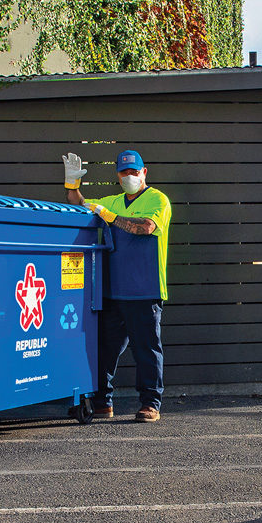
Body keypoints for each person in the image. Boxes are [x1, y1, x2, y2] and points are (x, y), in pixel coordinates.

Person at [63, 150, 172, 423]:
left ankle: (151, 404)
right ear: (118, 175)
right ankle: (103, 403)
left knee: (147, 349)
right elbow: (79, 204)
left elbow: (145, 227)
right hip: (113, 290)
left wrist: (110, 217)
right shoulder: (112, 201)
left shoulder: (157, 199)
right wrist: (72, 184)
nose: (129, 176)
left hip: (145, 290)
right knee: (104, 349)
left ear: (144, 172)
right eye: (124, 172)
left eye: (134, 171)